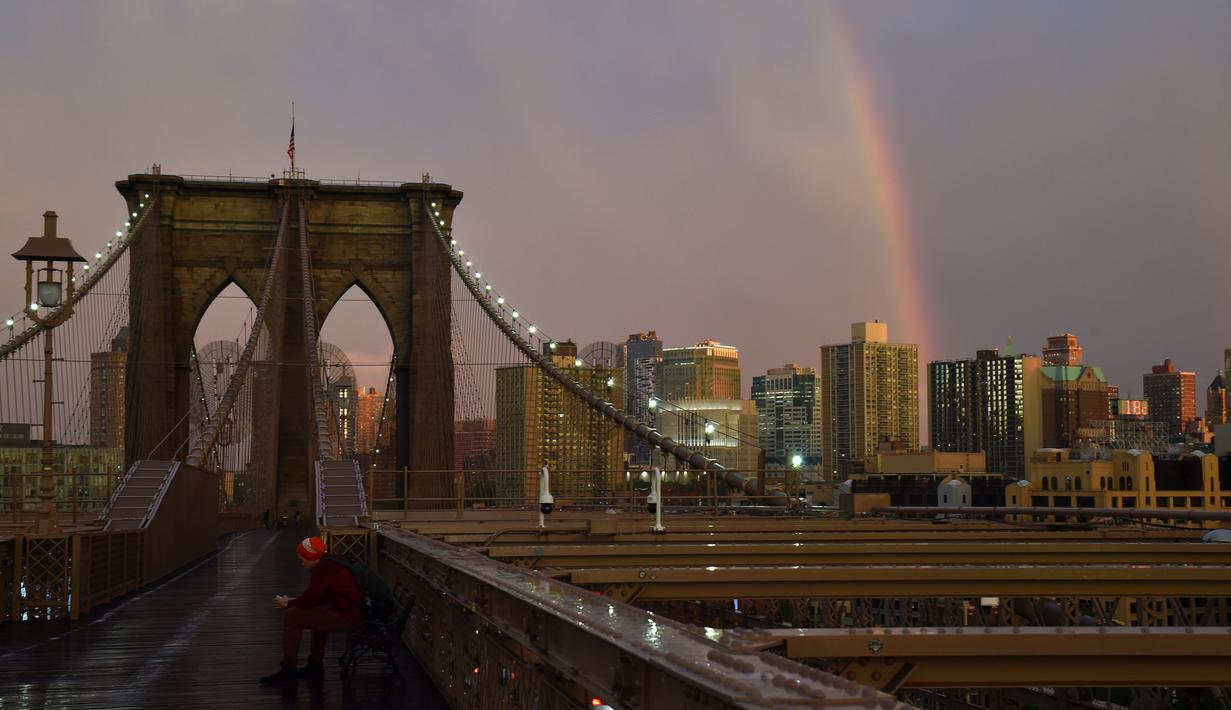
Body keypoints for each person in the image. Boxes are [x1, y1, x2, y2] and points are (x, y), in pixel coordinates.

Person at [259, 536, 365, 685]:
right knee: (317, 611)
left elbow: (309, 600)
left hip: (350, 619)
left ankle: (288, 670)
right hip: (355, 613)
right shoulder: (331, 562)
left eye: (302, 559)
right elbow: (317, 599)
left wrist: (287, 604)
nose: (301, 563)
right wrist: (292, 601)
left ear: (311, 557)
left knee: (292, 616)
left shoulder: (324, 568)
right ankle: (315, 665)